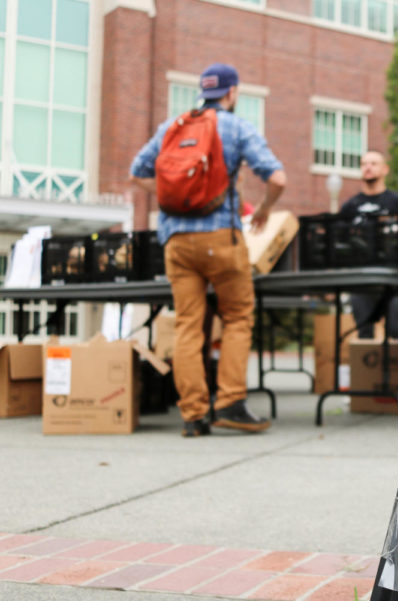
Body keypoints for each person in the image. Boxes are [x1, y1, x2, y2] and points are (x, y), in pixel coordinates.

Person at [129, 62, 287, 437]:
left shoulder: (171, 126)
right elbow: (277, 177)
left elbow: (137, 171)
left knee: (188, 325)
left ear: (204, 91)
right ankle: (230, 402)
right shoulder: (236, 126)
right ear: (232, 93)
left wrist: (174, 199)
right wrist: (263, 211)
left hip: (176, 242)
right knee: (236, 316)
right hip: (220, 238)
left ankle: (193, 414)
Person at [339, 150, 398, 339]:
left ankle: (397, 369)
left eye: (373, 163)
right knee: (364, 332)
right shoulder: (349, 206)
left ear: (385, 169)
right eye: (364, 164)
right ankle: (368, 369)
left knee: (397, 332)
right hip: (360, 278)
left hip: (393, 277)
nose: (367, 167)